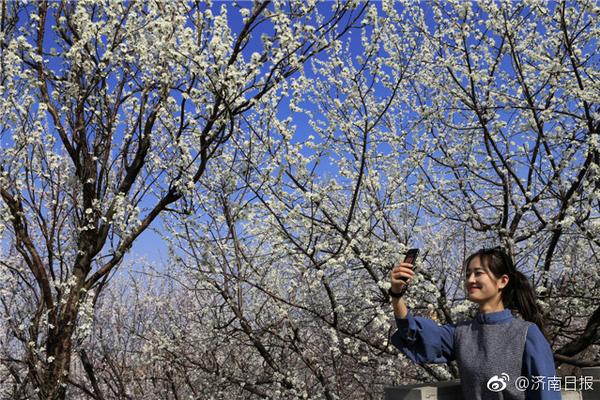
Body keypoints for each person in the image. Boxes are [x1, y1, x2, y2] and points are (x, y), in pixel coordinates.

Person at [389, 247, 561, 400]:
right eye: (468, 274)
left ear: (503, 281)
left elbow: (546, 392)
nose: (470, 280)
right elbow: (414, 335)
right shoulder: (462, 333)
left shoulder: (526, 334)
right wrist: (397, 295)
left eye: (478, 273)